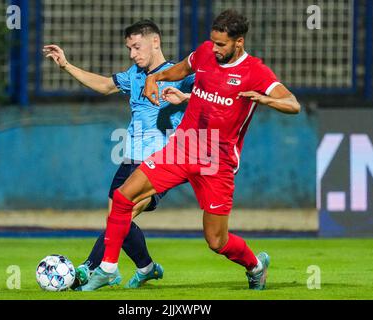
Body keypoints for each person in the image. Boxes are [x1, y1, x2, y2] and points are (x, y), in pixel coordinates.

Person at [84, 9, 301, 291]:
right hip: (182, 148)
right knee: (123, 197)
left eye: (221, 44)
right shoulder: (205, 53)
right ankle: (107, 268)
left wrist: (263, 98)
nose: (215, 48)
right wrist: (156, 78)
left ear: (239, 42)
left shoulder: (255, 72)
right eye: (213, 41)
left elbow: (293, 104)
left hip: (216, 161)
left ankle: (255, 266)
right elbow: (182, 69)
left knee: (216, 241)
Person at [43, 20, 194, 290]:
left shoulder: (178, 73)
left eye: (137, 47)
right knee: (116, 220)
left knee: (121, 217)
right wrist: (66, 65)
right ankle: (146, 268)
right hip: (130, 160)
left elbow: (209, 95)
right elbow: (104, 85)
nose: (132, 54)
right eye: (129, 48)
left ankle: (92, 269)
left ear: (155, 42)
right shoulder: (134, 74)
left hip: (159, 162)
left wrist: (187, 98)